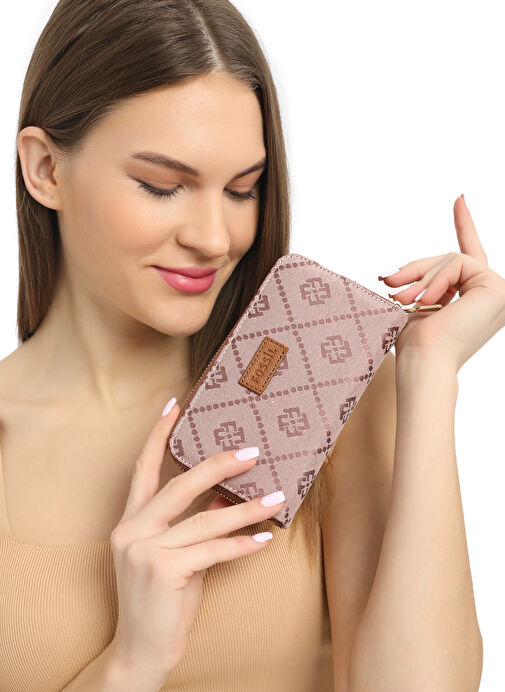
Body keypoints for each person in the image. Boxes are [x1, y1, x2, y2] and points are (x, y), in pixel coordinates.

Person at [1, 1, 500, 691]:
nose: (215, 237)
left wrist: (429, 373)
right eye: (162, 186)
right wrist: (132, 662)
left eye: (243, 190)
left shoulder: (333, 394)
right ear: (46, 170)